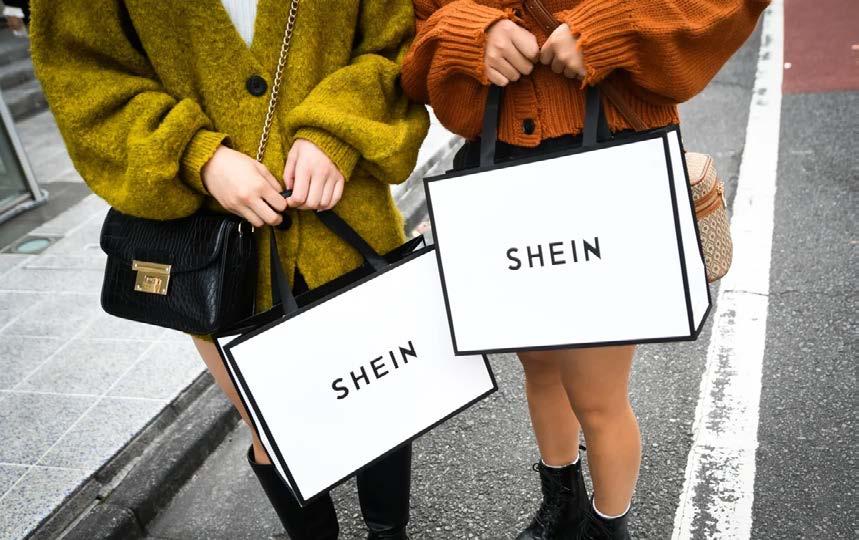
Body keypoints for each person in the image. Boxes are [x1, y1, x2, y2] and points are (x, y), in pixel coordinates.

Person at [29, 1, 429, 539]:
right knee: (273, 426)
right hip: (219, 251)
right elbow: (82, 78)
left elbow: (396, 39)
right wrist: (196, 154)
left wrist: (336, 130)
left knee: (379, 394)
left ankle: (388, 532)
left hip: (347, 213)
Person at [401, 1, 767, 538]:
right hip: (501, 171)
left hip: (612, 161)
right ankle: (563, 505)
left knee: (596, 393)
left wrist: (609, 27)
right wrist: (469, 35)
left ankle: (606, 528)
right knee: (540, 366)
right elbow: (412, 42)